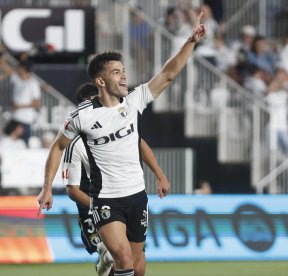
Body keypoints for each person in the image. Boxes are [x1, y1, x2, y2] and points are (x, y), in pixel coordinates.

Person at [37, 12, 206, 276]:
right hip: (106, 199)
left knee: (137, 267)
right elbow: (58, 147)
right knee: (124, 259)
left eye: (124, 71)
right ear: (101, 81)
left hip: (137, 195)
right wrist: (46, 187)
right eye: (117, 73)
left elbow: (168, 74)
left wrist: (191, 41)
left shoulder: (134, 101)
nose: (124, 77)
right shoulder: (82, 116)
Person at [62, 83, 169, 276]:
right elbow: (73, 190)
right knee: (117, 257)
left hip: (127, 196)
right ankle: (104, 260)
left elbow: (139, 143)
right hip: (96, 204)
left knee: (137, 263)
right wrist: (98, 205)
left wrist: (159, 175)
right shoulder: (75, 143)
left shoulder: (117, 126)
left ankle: (105, 263)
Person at [0, 56, 41, 145]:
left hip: (25, 120)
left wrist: (19, 106)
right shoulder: (17, 79)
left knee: (24, 146)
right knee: (5, 141)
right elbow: (4, 67)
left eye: (18, 67)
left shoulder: (33, 83)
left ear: (23, 69)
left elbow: (37, 103)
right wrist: (3, 56)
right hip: (14, 117)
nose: (16, 68)